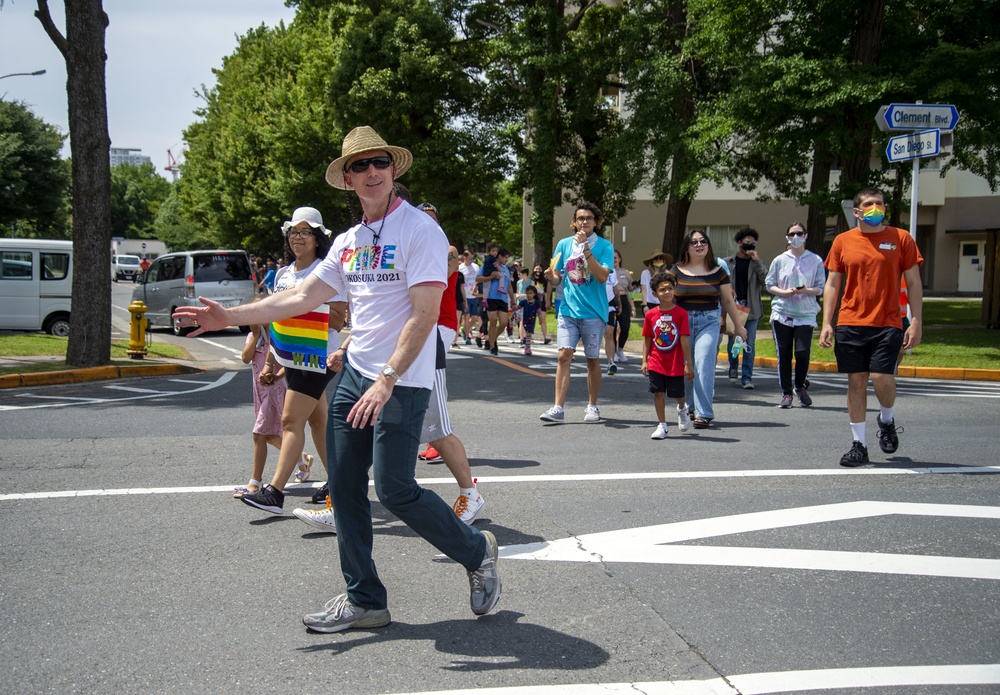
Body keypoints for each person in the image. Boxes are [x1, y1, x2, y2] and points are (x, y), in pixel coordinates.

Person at [173, 126, 501, 630]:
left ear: (393, 171)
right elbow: (299, 297)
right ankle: (366, 599)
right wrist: (230, 317)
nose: (371, 172)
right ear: (347, 180)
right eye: (360, 166)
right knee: (343, 488)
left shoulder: (420, 231)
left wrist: (389, 376)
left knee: (394, 490)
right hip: (355, 376)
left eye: (379, 163)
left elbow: (424, 313)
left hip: (402, 379)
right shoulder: (347, 242)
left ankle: (476, 550)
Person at [241, 207, 347, 518]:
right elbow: (276, 321)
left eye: (305, 232)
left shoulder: (326, 271)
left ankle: (274, 492)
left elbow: (339, 320)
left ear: (317, 239)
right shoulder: (285, 274)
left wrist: (305, 307)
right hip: (292, 355)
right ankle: (339, 482)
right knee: (317, 422)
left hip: (318, 355)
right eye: (294, 232)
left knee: (289, 421)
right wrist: (272, 361)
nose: (298, 238)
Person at [819, 187, 923, 467]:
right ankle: (859, 445)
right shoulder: (842, 241)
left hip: (888, 322)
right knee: (856, 381)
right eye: (869, 204)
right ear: (857, 211)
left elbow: (913, 282)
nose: (876, 207)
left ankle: (886, 420)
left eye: (880, 203)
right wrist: (827, 322)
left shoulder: (901, 239)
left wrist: (916, 321)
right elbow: (832, 284)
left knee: (881, 378)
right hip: (851, 322)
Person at [540, 201, 614, 424]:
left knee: (592, 359)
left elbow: (602, 277)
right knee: (564, 356)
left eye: (589, 219)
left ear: (596, 223)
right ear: (574, 222)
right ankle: (558, 408)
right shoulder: (564, 244)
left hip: (593, 312)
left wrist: (587, 249)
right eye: (580, 218)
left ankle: (592, 406)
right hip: (568, 310)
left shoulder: (604, 246)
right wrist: (550, 276)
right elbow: (557, 276)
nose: (584, 222)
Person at [670, 229, 748, 429]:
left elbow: (728, 300)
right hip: (683, 322)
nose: (699, 245)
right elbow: (668, 299)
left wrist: (738, 327)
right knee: (688, 365)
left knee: (703, 362)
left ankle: (704, 413)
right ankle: (688, 408)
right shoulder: (676, 271)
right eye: (694, 242)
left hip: (709, 321)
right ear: (687, 247)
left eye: (703, 241)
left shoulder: (718, 271)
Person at [766, 222, 826, 408]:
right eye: (792, 234)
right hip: (782, 312)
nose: (796, 237)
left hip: (805, 313)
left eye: (799, 233)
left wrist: (806, 290)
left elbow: (820, 288)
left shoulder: (815, 260)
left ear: (806, 236)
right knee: (784, 354)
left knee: (802, 353)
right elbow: (770, 284)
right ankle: (786, 393)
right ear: (787, 237)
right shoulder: (780, 260)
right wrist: (784, 292)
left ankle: (799, 386)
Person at [234, 310, 285, 497]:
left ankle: (255, 482)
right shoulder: (254, 336)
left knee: (259, 433)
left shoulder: (279, 334)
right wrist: (255, 335)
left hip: (277, 389)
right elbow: (245, 358)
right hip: (261, 392)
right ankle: (300, 459)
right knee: (270, 435)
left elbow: (289, 360)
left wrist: (276, 376)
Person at [641, 273, 694, 439]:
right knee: (658, 393)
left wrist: (688, 363)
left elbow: (684, 338)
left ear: (675, 290)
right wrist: (644, 360)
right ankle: (662, 425)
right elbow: (648, 339)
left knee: (678, 393)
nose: (667, 292)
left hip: (675, 362)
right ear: (655, 294)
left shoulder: (681, 314)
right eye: (662, 290)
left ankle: (682, 408)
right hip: (656, 361)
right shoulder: (650, 315)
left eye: (670, 288)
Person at [723, 227, 768, 390]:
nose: (749, 245)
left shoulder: (757, 263)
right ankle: (733, 366)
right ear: (739, 242)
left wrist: (756, 261)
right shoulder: (729, 262)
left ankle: (747, 378)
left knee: (750, 342)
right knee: (734, 341)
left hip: (752, 308)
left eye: (753, 242)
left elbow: (766, 281)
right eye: (746, 241)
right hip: (735, 306)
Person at [481, 248, 514, 356]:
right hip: (491, 297)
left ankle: (492, 338)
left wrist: (513, 301)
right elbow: (478, 278)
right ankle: (492, 346)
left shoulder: (506, 270)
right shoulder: (489, 264)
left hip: (503, 298)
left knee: (504, 323)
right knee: (493, 321)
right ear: (499, 256)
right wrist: (491, 276)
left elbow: (509, 286)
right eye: (505, 257)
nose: (506, 260)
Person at [612, 249, 635, 364]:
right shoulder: (607, 272)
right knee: (613, 327)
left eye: (615, 257)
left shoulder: (625, 273)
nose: (614, 260)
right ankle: (613, 352)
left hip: (624, 300)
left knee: (625, 327)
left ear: (620, 259)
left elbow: (631, 291)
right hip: (612, 301)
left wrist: (633, 307)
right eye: (612, 258)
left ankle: (620, 349)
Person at [639, 249, 671, 314]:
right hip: (649, 304)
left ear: (663, 261)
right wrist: (645, 305)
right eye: (656, 258)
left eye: (661, 258)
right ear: (652, 261)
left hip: (663, 303)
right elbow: (644, 290)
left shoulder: (667, 273)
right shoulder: (645, 273)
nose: (658, 260)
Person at [459, 251, 480, 344]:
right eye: (470, 258)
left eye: (473, 258)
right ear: (465, 257)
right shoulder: (460, 268)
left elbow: (478, 280)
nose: (472, 260)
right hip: (465, 295)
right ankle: (468, 336)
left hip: (474, 295)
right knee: (466, 316)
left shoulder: (476, 267)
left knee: (475, 317)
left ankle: (465, 329)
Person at [530, 265, 551, 344]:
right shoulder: (531, 280)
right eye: (536, 269)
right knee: (531, 319)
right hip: (532, 302)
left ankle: (545, 337)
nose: (538, 270)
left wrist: (547, 302)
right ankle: (530, 336)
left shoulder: (544, 280)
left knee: (542, 319)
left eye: (539, 269)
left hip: (541, 302)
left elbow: (545, 292)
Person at [518, 285, 541, 355]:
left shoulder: (537, 302)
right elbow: (517, 307)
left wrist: (540, 318)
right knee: (528, 333)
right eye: (527, 293)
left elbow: (539, 311)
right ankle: (527, 347)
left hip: (532, 320)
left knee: (528, 333)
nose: (528, 295)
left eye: (530, 293)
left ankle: (527, 347)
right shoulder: (524, 302)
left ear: (534, 294)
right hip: (525, 320)